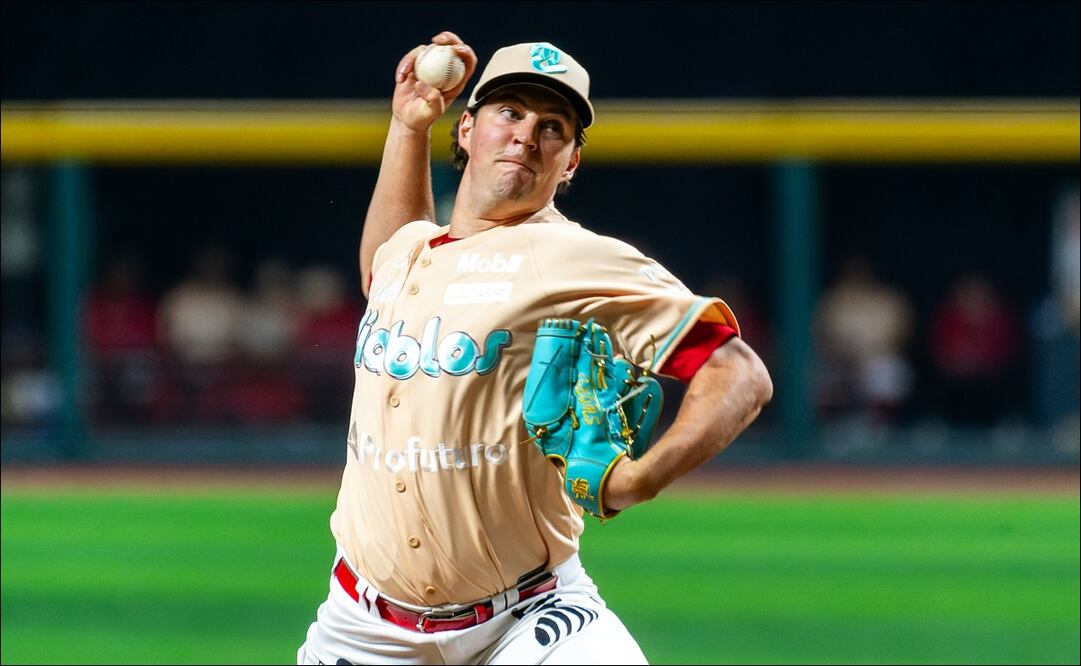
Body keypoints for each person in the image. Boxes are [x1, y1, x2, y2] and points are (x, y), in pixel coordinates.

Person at [298, 32, 772, 665]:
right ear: (466, 130)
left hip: (531, 618)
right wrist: (409, 126)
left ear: (570, 163)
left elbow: (737, 371)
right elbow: (382, 263)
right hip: (363, 628)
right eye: (509, 113)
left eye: (553, 126)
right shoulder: (411, 251)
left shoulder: (574, 258)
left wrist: (644, 477)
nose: (527, 134)